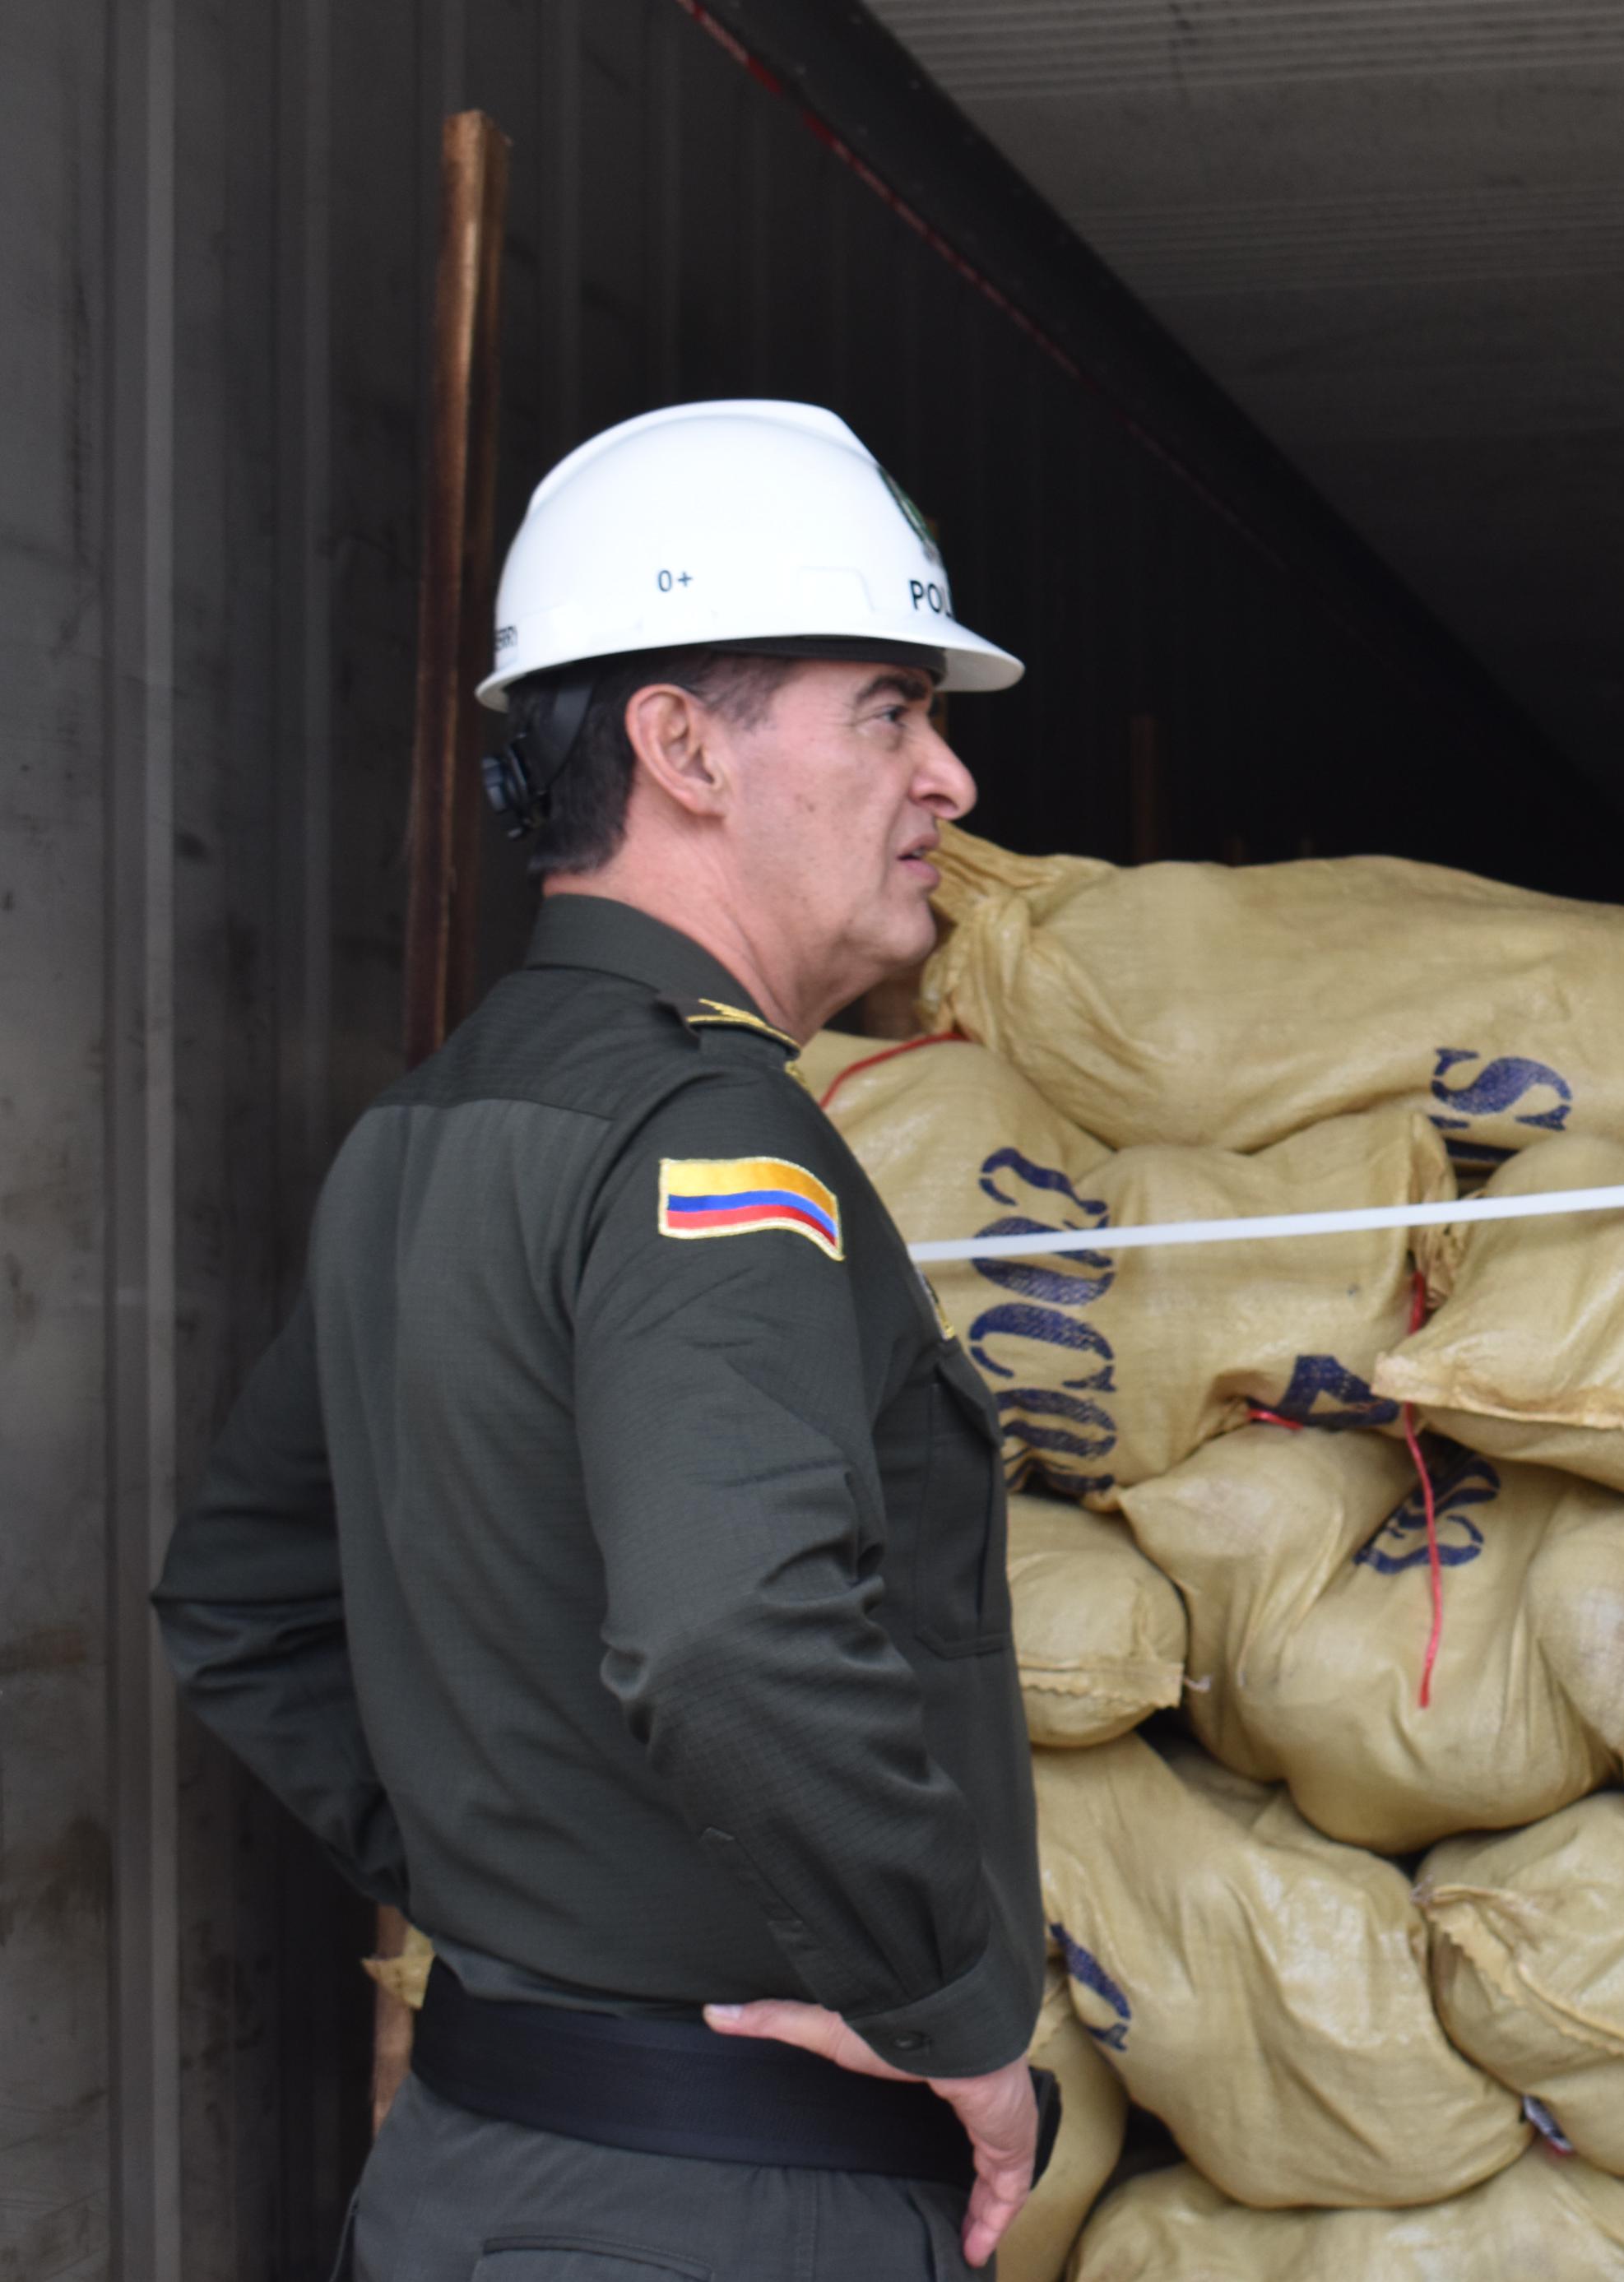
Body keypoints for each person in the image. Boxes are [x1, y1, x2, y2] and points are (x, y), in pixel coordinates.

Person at [155, 400, 1052, 2275]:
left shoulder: (430, 1125)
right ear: (680, 749)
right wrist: (952, 2008)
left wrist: (518, 1878)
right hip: (721, 2203)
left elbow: (241, 1594)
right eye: (889, 709)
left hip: (475, 2169)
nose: (948, 781)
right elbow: (733, 1629)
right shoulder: (712, 1136)